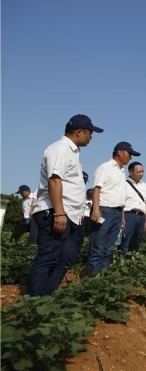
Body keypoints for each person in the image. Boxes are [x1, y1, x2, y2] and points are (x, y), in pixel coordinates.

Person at [27, 114, 103, 296]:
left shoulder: (72, 152)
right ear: (79, 132)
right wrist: (59, 213)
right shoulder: (60, 148)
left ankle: (47, 297)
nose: (91, 137)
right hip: (56, 212)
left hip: (71, 216)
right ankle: (33, 303)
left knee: (66, 258)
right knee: (49, 256)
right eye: (90, 133)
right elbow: (54, 180)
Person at [88, 141, 140, 275]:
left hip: (117, 213)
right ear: (120, 152)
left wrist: (122, 217)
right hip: (104, 210)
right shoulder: (105, 167)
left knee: (108, 250)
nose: (130, 158)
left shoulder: (121, 171)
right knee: (97, 249)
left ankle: (103, 280)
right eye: (129, 154)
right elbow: (96, 189)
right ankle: (92, 281)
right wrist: (96, 209)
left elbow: (120, 196)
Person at [120, 161, 146, 257]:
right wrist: (122, 218)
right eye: (138, 172)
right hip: (129, 215)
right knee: (125, 242)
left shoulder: (144, 186)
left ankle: (131, 266)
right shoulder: (124, 183)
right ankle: (121, 265)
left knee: (136, 243)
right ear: (130, 172)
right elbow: (121, 203)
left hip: (141, 217)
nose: (141, 174)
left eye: (142, 171)